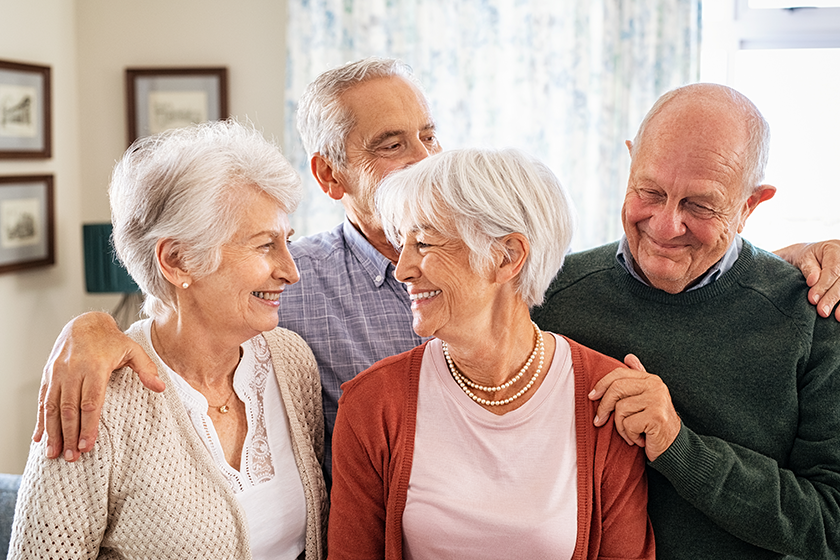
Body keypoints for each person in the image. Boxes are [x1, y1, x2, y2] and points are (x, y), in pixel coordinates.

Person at [32, 58, 840, 475]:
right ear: (328, 177)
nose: (424, 158)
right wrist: (92, 328)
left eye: (428, 134)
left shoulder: (521, 281)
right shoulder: (287, 288)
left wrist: (790, 260)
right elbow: (183, 326)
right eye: (391, 145)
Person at [530, 83, 840, 558]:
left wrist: (679, 446)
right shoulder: (547, 297)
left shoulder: (814, 316)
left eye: (699, 205)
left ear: (749, 206)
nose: (665, 225)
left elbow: (830, 523)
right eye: (649, 191)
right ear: (630, 162)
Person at [9, 121, 327, 559]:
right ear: (178, 261)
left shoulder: (291, 360)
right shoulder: (99, 396)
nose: (291, 270)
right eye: (264, 246)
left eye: (286, 242)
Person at [329, 147, 654, 559]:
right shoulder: (373, 404)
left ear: (506, 257)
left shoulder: (605, 398)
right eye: (402, 243)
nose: (402, 269)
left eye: (424, 242)